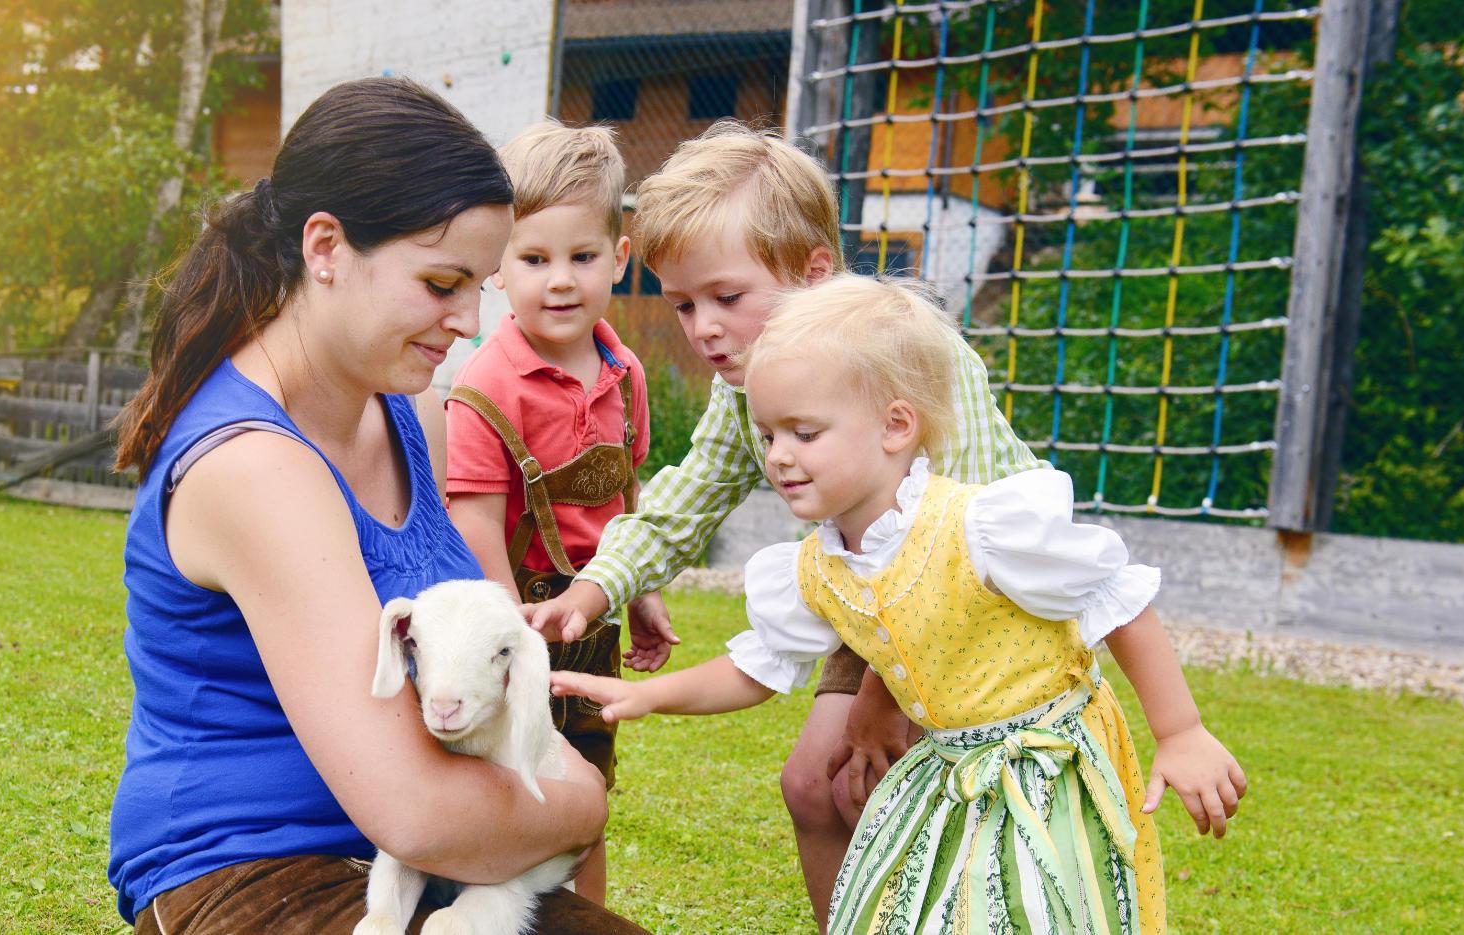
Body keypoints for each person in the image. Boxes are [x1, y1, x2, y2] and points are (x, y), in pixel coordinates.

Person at [106, 76, 645, 935]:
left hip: (424, 869)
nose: (468, 320)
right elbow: (418, 811)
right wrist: (579, 797)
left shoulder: (407, 409)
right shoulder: (254, 466)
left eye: (478, 285)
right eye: (440, 282)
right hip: (253, 873)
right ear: (325, 246)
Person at [553, 274, 1248, 935]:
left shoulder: (981, 526)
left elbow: (1113, 595)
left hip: (1046, 769)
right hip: (947, 772)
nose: (780, 457)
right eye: (768, 435)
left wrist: (1181, 731)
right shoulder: (820, 565)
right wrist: (646, 696)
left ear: (895, 426)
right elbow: (756, 669)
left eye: (805, 432)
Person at [524, 120, 1043, 930]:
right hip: (877, 601)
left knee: (914, 794)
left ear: (815, 272)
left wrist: (883, 692)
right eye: (683, 303)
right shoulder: (748, 386)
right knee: (813, 785)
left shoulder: (917, 353)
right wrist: (591, 591)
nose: (703, 329)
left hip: (990, 615)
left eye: (727, 298)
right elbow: (683, 498)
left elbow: (959, 539)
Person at [443, 119, 662, 905]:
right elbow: (474, 518)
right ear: (498, 267)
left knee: (586, 792)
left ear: (621, 257)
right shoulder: (486, 384)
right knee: (508, 788)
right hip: (513, 618)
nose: (559, 280)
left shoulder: (625, 370)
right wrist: (510, 640)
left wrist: (642, 591)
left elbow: (624, 502)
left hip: (591, 626)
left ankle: (584, 918)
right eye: (534, 259)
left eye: (582, 256)